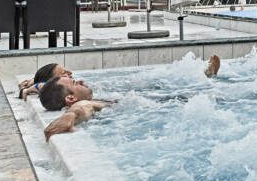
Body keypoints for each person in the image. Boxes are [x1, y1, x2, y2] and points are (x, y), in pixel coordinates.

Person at [40, 56, 220, 140]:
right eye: (73, 82)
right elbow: (81, 109)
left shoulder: (86, 100)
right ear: (70, 98)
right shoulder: (82, 104)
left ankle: (204, 75)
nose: (79, 79)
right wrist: (69, 116)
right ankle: (205, 77)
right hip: (151, 112)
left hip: (141, 109)